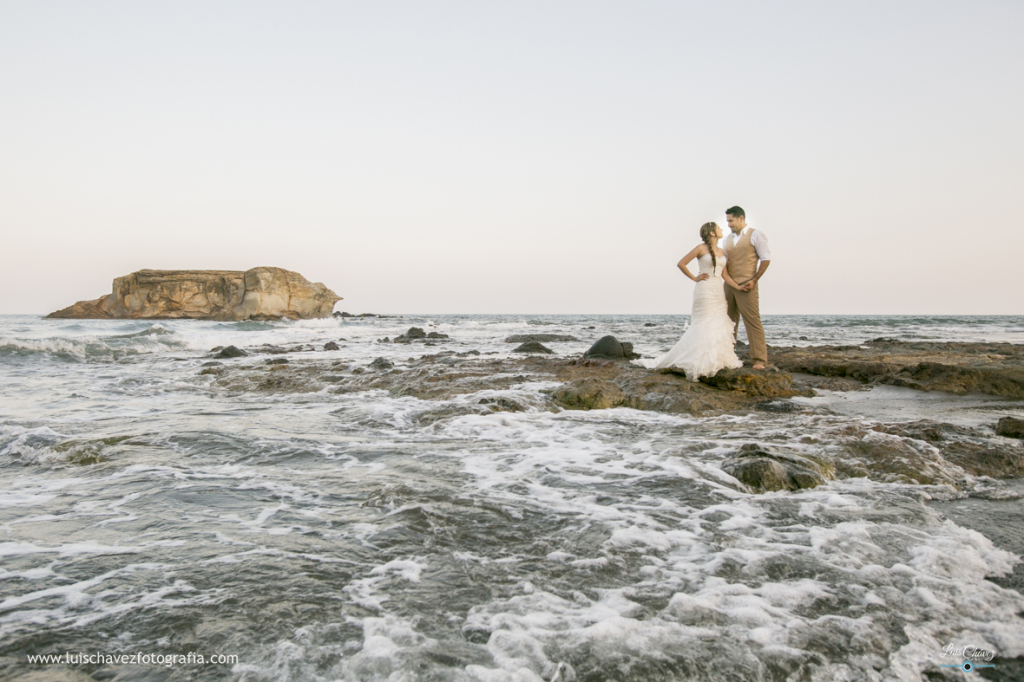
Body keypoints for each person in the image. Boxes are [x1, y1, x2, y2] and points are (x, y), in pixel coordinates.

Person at [641, 222, 743, 381]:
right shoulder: (701, 248)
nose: (722, 229)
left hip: (718, 291)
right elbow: (681, 263)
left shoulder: (722, 251)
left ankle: (714, 358)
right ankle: (697, 358)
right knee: (704, 323)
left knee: (717, 323)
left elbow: (725, 276)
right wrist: (695, 277)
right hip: (704, 290)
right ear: (711, 233)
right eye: (719, 228)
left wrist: (738, 286)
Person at [723, 206, 771, 370]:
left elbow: (765, 259)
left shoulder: (756, 234)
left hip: (747, 284)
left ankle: (759, 360)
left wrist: (755, 279)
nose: (728, 224)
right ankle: (727, 356)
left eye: (731, 220)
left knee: (752, 320)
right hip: (729, 285)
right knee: (728, 322)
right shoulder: (727, 239)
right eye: (728, 221)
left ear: (741, 218)